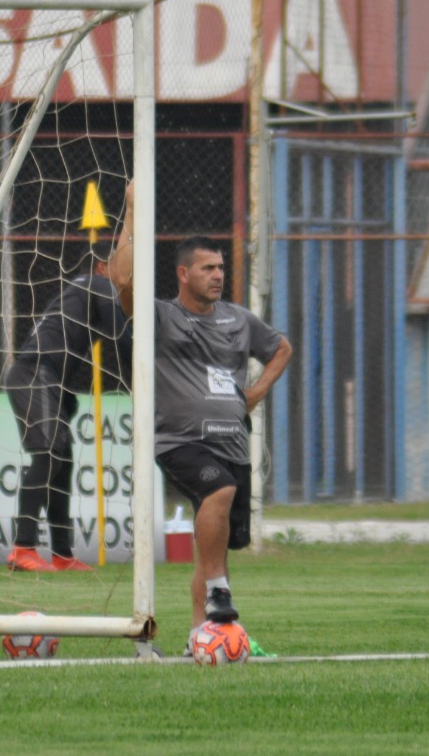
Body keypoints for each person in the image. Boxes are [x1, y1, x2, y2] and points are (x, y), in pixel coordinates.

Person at [152, 234, 292, 648]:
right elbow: (125, 288)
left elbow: (281, 348)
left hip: (233, 442)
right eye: (207, 268)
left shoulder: (238, 319)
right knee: (218, 487)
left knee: (214, 547)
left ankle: (202, 634)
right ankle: (218, 592)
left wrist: (257, 392)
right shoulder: (163, 317)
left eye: (220, 267)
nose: (218, 275)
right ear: (183, 273)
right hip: (180, 440)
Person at [3, 188, 134, 572]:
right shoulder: (95, 284)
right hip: (32, 373)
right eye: (117, 270)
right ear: (100, 267)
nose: (123, 280)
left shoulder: (78, 298)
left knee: (62, 461)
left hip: (43, 378)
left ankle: (61, 555)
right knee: (48, 455)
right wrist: (140, 385)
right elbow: (121, 336)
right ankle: (22, 549)